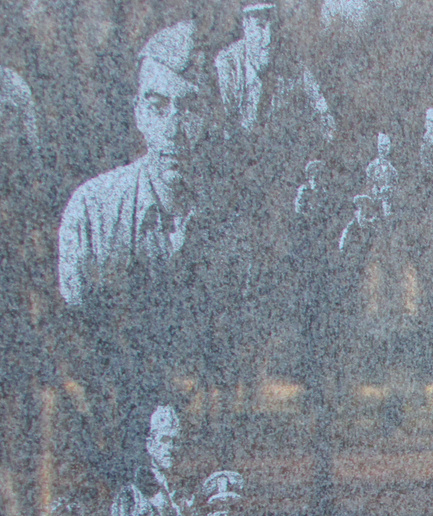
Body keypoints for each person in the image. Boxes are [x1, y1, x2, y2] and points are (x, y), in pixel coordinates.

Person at [57, 22, 212, 310]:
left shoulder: (231, 216)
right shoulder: (91, 211)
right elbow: (74, 332)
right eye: (158, 106)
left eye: (189, 108)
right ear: (138, 113)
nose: (173, 129)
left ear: (209, 115)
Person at [214, 0, 334, 144]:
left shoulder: (291, 63)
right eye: (260, 26)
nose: (268, 38)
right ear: (245, 24)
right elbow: (221, 124)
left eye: (273, 26)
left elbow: (324, 116)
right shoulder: (228, 64)